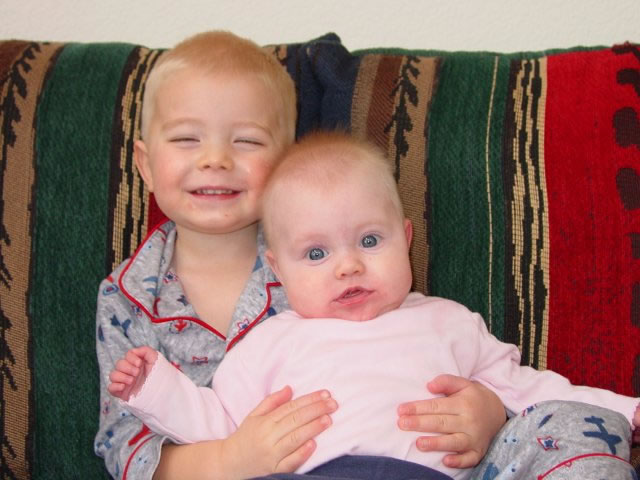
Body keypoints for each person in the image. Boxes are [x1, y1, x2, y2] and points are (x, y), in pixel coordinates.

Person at [94, 31, 508, 480]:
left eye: (247, 141)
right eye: (186, 139)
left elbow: (409, 354)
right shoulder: (125, 297)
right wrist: (229, 460)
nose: (215, 159)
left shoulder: (325, 258)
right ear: (145, 164)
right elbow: (125, 445)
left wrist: (489, 409)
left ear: (284, 162)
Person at [110, 131, 640, 480]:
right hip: (315, 474)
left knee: (569, 425)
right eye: (316, 253)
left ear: (405, 238)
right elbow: (217, 420)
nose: (348, 266)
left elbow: (528, 390)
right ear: (278, 270)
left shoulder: (449, 322)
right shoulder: (268, 342)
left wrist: (626, 410)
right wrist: (155, 388)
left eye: (369, 241)